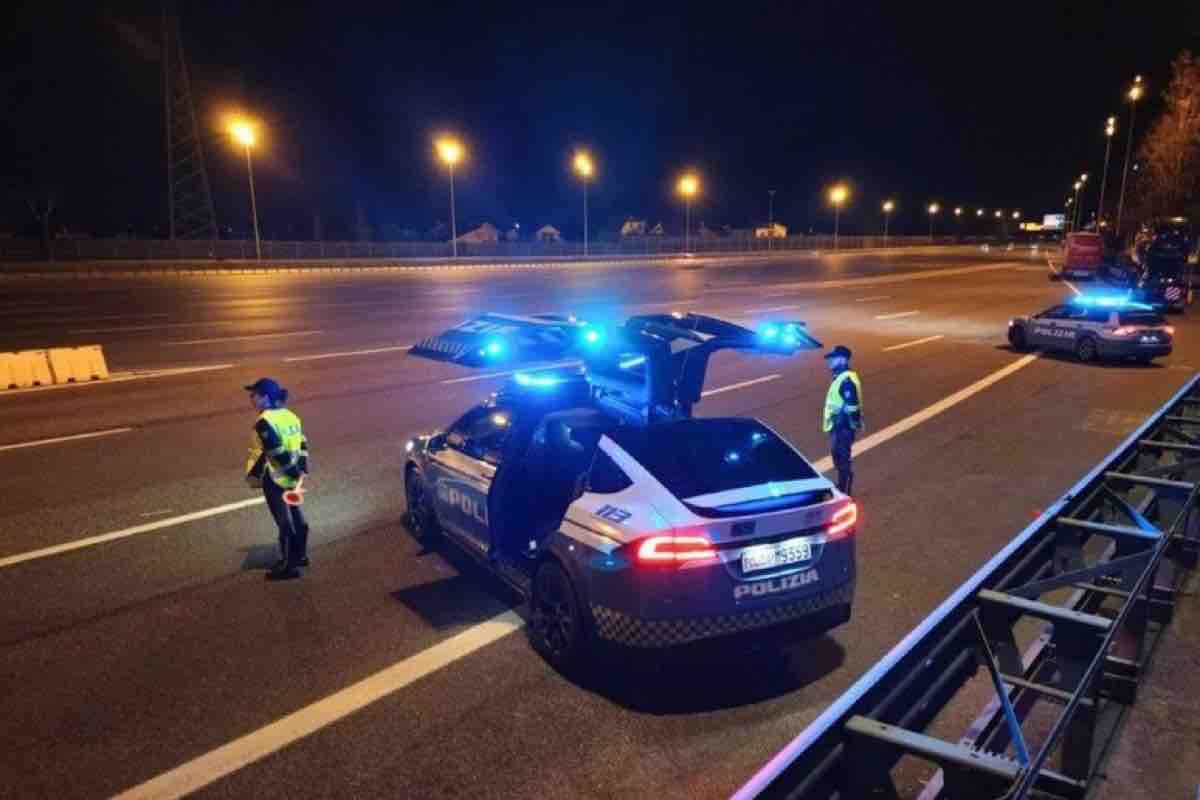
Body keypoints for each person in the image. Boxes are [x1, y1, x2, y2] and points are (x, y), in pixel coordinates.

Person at [244, 378, 311, 580]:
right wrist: (300, 470)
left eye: (254, 395)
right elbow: (302, 444)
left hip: (275, 477)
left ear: (265, 398)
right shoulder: (291, 416)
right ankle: (300, 555)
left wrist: (290, 471)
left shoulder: (264, 422)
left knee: (284, 522)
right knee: (296, 515)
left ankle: (288, 566)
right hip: (292, 476)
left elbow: (275, 450)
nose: (251, 399)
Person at [822, 345, 863, 495]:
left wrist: (846, 422)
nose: (830, 361)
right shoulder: (840, 377)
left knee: (842, 458)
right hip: (838, 426)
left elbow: (852, 406)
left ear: (843, 360)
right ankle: (842, 485)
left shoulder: (846, 381)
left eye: (833, 358)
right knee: (837, 456)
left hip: (843, 427)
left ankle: (845, 492)